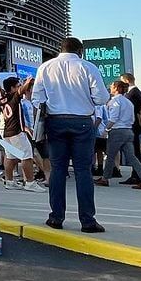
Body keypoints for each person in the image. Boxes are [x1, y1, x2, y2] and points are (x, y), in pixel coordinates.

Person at [31, 37, 109, 232]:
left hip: (55, 121)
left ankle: (56, 217)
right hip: (82, 122)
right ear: (80, 51)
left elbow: (36, 98)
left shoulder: (46, 67)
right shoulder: (88, 67)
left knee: (58, 169)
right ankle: (88, 221)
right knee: (83, 170)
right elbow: (102, 98)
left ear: (61, 48)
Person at [97, 81, 141, 189]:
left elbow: (113, 118)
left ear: (116, 88)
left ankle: (105, 178)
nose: (110, 87)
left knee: (110, 156)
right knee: (132, 157)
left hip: (117, 131)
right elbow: (132, 118)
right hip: (128, 131)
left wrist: (106, 129)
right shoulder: (128, 102)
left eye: (112, 86)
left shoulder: (115, 102)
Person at [0, 76, 44, 190]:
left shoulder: (2, 100)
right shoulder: (14, 97)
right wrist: (28, 81)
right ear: (12, 88)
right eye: (17, 86)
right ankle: (30, 182)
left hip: (7, 131)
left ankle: (9, 181)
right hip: (16, 131)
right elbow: (22, 90)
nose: (20, 87)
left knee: (10, 156)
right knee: (27, 156)